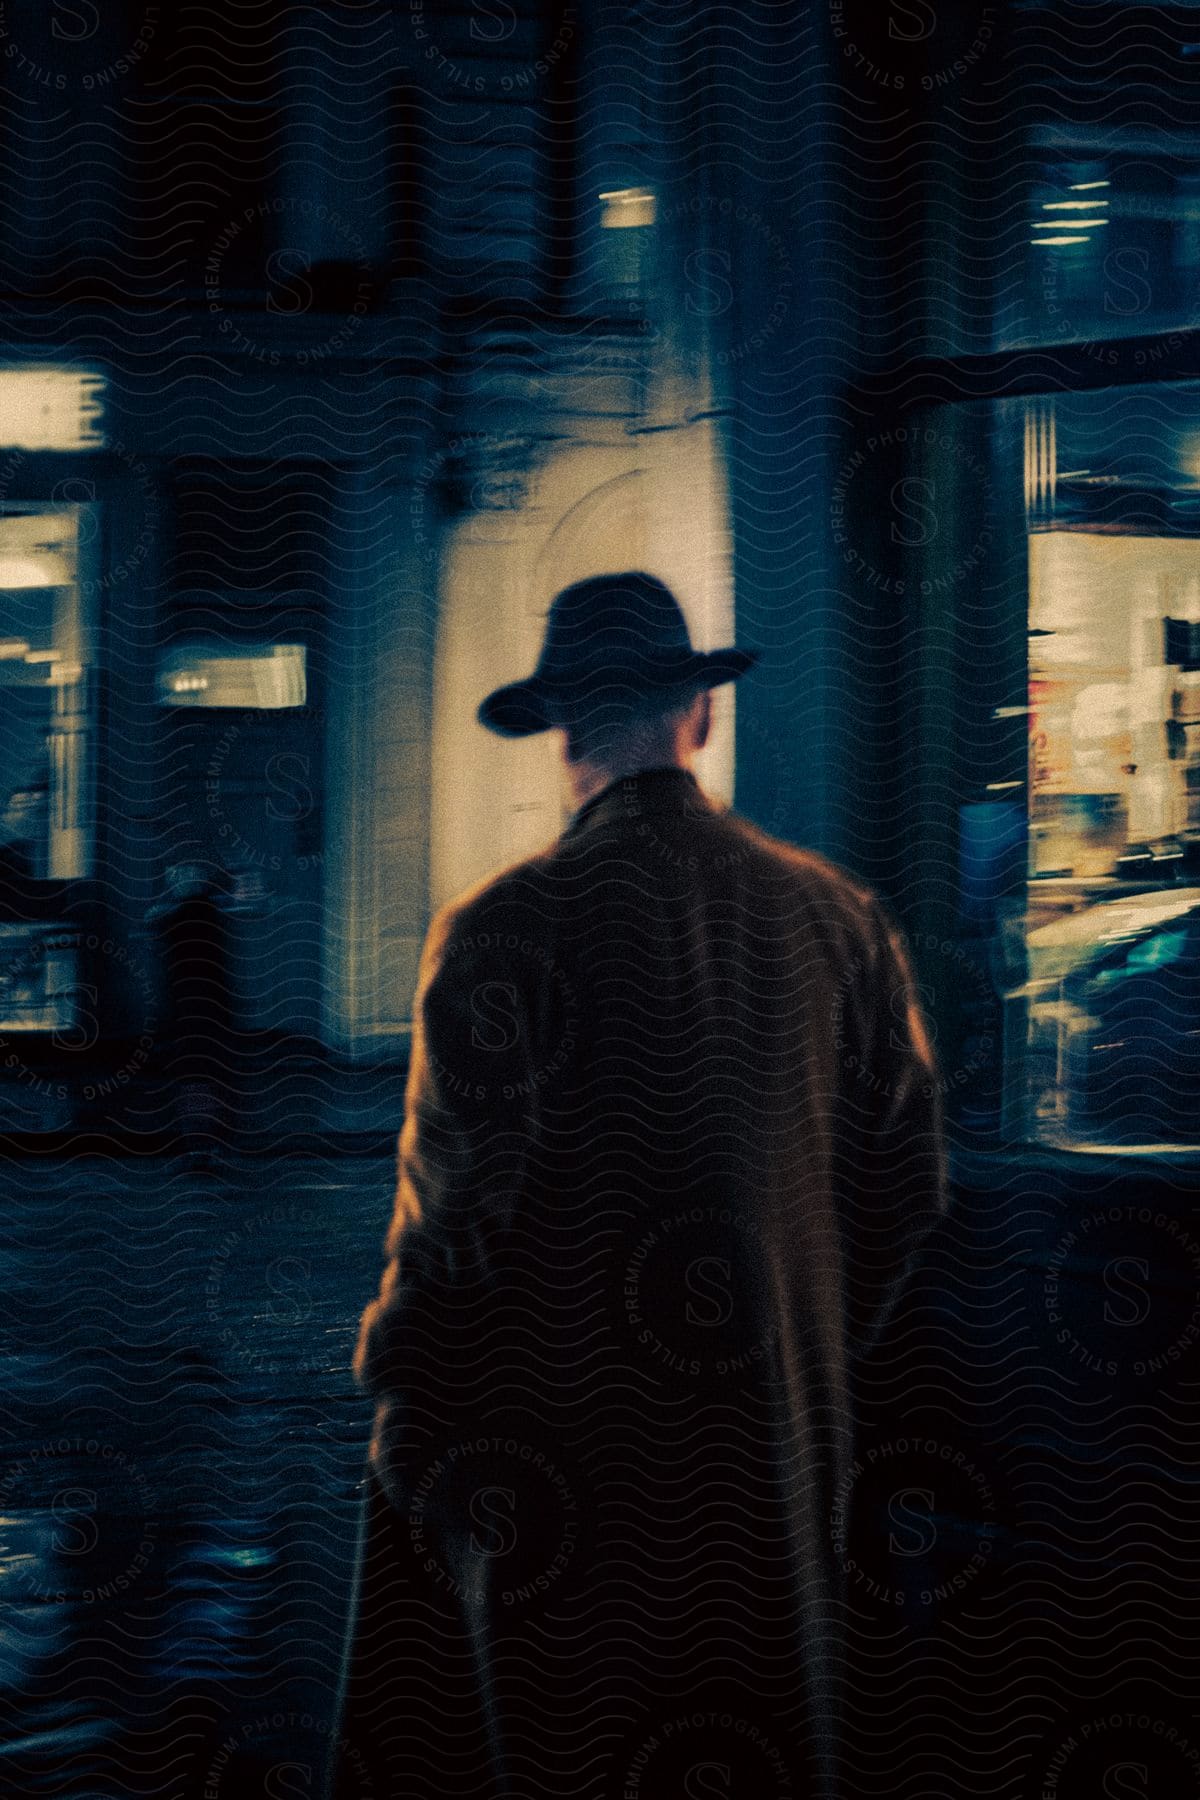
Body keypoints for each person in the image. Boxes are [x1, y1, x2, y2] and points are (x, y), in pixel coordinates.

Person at [328, 572, 949, 1800]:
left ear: (563, 733)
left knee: (570, 1735)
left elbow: (456, 1224)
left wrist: (406, 1406)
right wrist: (802, 1336)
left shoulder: (505, 929)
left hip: (568, 1461)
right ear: (699, 717)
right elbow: (908, 1185)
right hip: (773, 1450)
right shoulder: (840, 919)